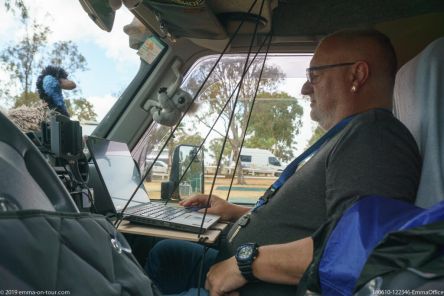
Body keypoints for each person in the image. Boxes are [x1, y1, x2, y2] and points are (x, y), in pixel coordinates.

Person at [146, 29, 422, 296]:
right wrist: (233, 211)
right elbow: (311, 223)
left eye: (314, 75)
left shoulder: (373, 135)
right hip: (244, 269)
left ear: (357, 74)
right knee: (165, 254)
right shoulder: (348, 136)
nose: (305, 88)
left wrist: (246, 262)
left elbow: (358, 248)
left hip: (259, 284)